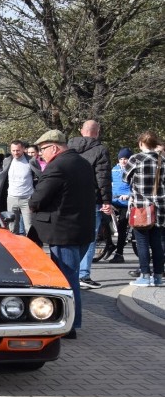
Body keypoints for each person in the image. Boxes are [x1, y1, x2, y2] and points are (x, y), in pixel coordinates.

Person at [29, 130, 96, 339]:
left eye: (42, 150)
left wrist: (33, 205)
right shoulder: (83, 163)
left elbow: (37, 200)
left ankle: (70, 325)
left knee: (67, 278)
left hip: (63, 232)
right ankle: (70, 321)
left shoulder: (57, 166)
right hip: (83, 230)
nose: (41, 155)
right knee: (72, 275)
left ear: (54, 147)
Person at [68, 120, 112, 289]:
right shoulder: (100, 150)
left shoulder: (69, 147)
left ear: (81, 130)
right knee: (90, 237)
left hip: (69, 198)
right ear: (98, 131)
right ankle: (83, 275)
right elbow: (102, 178)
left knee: (71, 236)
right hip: (90, 199)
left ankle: (69, 272)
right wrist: (106, 201)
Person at [123, 130, 164, 287]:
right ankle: (158, 276)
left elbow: (125, 178)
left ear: (141, 143)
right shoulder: (163, 159)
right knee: (158, 243)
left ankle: (145, 276)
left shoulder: (135, 159)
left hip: (141, 207)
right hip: (160, 207)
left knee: (142, 242)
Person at [0, 141, 36, 235]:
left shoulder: (31, 161)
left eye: (18, 150)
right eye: (13, 150)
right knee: (12, 227)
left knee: (30, 227)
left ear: (23, 149)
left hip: (27, 198)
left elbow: (38, 177)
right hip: (12, 197)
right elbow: (0, 178)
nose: (16, 153)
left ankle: (31, 247)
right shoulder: (7, 161)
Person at [108, 148, 133, 264]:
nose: (123, 161)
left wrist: (128, 195)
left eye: (126, 159)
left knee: (122, 227)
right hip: (114, 201)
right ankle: (108, 243)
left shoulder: (132, 170)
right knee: (104, 220)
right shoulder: (114, 169)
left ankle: (119, 253)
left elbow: (136, 187)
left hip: (126, 203)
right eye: (121, 159)